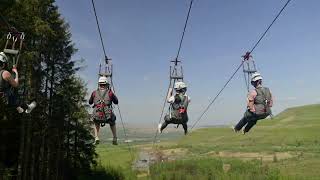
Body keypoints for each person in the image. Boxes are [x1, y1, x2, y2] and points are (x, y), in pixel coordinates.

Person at [0, 52, 36, 119]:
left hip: (4, 100)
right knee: (12, 89)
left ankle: (19, 108)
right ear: (3, 64)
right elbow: (16, 85)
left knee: (8, 90)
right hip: (6, 100)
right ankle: (26, 107)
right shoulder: (5, 73)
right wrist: (16, 73)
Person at [89, 76, 119, 145]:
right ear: (107, 84)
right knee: (112, 121)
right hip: (107, 115)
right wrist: (112, 94)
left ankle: (96, 137)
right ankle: (114, 137)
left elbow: (90, 102)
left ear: (99, 84)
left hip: (97, 114)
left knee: (96, 122)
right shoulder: (110, 93)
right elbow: (116, 102)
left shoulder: (94, 93)